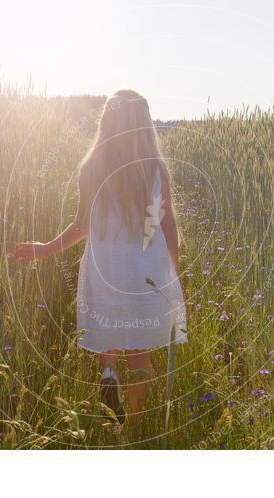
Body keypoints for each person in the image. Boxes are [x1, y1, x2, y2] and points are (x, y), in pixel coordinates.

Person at [14, 89, 187, 425]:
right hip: (145, 270)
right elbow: (167, 225)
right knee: (140, 354)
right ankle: (133, 426)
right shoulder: (153, 168)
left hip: (104, 266)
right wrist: (173, 276)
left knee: (108, 338)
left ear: (107, 121)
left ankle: (108, 375)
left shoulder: (92, 166)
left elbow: (81, 226)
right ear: (143, 124)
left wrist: (45, 249)